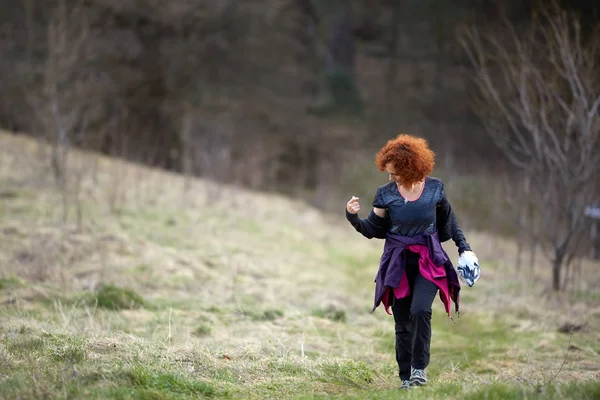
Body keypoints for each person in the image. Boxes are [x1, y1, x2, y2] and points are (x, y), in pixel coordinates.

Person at [345, 134, 479, 389]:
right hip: (397, 262)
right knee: (402, 320)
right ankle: (406, 376)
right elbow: (374, 228)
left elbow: (450, 223)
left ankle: (419, 370)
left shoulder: (435, 189)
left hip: (429, 260)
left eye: (394, 173)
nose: (390, 177)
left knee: (421, 310)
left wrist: (465, 249)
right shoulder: (385, 194)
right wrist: (352, 217)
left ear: (409, 168)